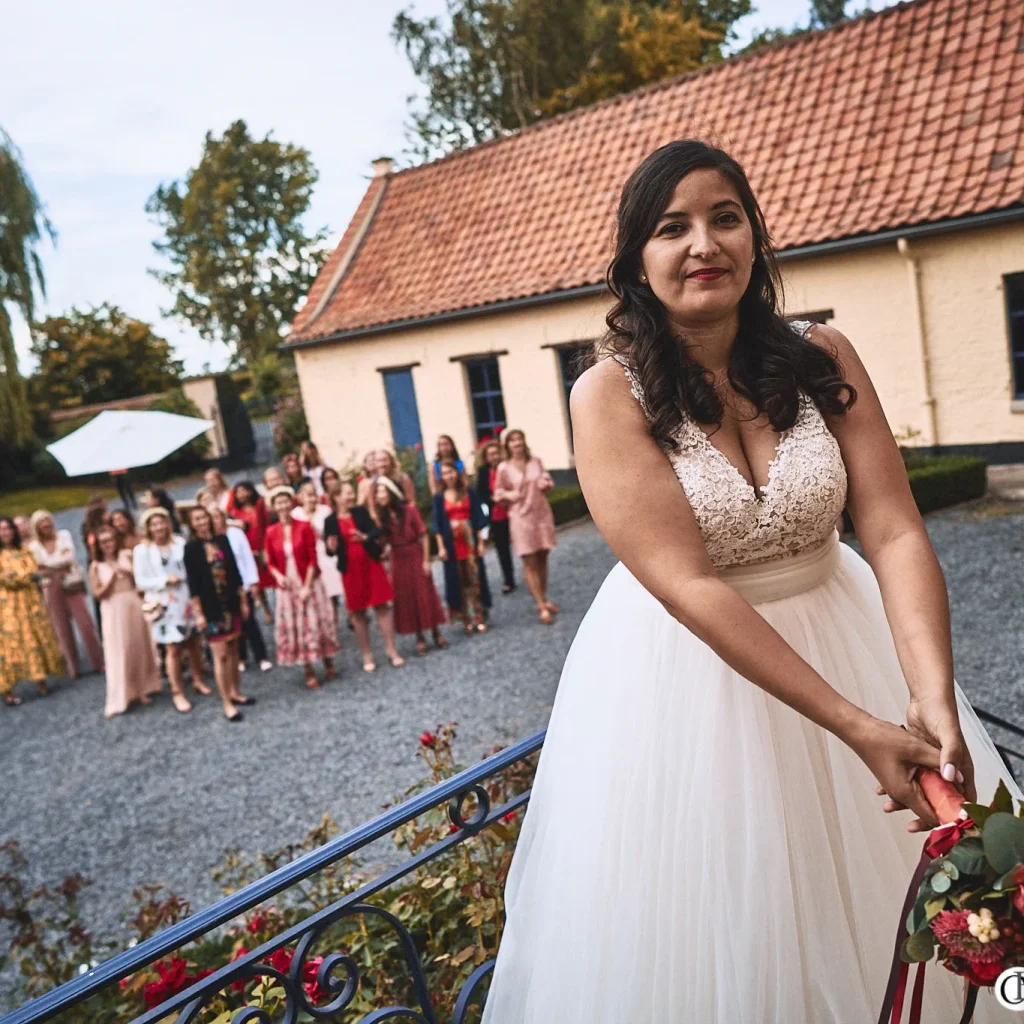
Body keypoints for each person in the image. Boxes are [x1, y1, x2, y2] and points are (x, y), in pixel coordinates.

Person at [479, 140, 1022, 1023]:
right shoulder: (607, 396)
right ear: (636, 262)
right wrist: (855, 724)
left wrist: (926, 691)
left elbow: (889, 527)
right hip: (691, 677)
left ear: (756, 237)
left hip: (846, 633)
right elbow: (689, 585)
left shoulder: (822, 353)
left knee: (892, 900)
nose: (704, 244)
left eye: (725, 217)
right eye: (672, 227)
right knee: (731, 923)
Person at [133, 507, 211, 713]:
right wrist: (164, 580)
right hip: (164, 602)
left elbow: (191, 568)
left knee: (193, 641)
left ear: (168, 523)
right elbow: (140, 581)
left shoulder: (179, 543)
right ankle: (177, 691)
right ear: (148, 527)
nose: (159, 527)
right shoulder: (142, 550)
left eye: (162, 522)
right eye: (154, 524)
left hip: (184, 599)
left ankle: (197, 679)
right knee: (173, 648)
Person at [323, 480, 404, 673]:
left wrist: (365, 537)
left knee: (382, 606)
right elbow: (330, 550)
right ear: (336, 497)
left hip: (371, 563)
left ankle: (391, 650)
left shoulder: (360, 512)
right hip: (350, 569)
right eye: (346, 493)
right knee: (358, 613)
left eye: (351, 493)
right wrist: (331, 548)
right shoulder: (330, 521)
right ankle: (367, 653)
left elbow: (375, 531)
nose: (351, 496)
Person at [264, 486, 339, 688]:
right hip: (288, 584)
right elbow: (269, 561)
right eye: (278, 502)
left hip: (308, 580)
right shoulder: (271, 532)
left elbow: (313, 558)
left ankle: (328, 661)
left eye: (286, 501)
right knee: (296, 626)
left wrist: (307, 586)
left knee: (316, 622)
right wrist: (278, 576)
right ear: (273, 507)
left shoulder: (304, 526)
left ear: (292, 502)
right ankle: (308, 669)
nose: (283, 506)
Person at [183, 505, 251, 722]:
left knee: (233, 650)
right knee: (219, 654)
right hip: (211, 607)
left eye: (205, 518)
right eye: (197, 519)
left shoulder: (222, 540)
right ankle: (226, 702)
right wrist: (199, 613)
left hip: (230, 601)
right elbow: (193, 584)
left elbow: (235, 572)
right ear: (192, 524)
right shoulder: (191, 549)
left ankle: (235, 691)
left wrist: (243, 600)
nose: (202, 522)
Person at [369, 476, 447, 656]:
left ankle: (436, 632)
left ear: (391, 492)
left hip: (415, 554)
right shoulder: (382, 518)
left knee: (425, 593)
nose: (380, 495)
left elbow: (422, 535)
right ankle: (419, 636)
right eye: (378, 492)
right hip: (398, 558)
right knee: (407, 597)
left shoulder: (409, 510)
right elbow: (382, 543)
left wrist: (426, 560)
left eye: (383, 491)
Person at [88, 525, 160, 719]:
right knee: (119, 650)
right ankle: (121, 696)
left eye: (110, 540)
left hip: (132, 603)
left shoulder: (127, 555)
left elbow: (141, 581)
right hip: (113, 608)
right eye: (104, 542)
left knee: (138, 646)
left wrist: (128, 574)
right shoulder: (96, 565)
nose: (108, 545)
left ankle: (143, 688)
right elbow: (97, 593)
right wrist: (111, 579)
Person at [28, 509, 104, 680]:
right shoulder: (33, 546)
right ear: (36, 527)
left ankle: (98, 661)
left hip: (71, 583)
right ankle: (73, 666)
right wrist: (55, 566)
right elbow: (37, 569)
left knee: (85, 624)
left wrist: (48, 567)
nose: (46, 525)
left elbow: (69, 558)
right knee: (61, 627)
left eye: (48, 521)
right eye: (42, 523)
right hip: (50, 587)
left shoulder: (63, 535)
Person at [495, 429, 558, 624]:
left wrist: (545, 482)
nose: (517, 444)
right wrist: (507, 495)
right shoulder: (503, 468)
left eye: (519, 439)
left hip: (540, 513)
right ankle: (540, 604)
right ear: (507, 445)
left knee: (543, 555)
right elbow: (498, 493)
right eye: (512, 441)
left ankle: (545, 597)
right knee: (529, 560)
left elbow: (547, 478)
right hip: (520, 517)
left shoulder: (535, 461)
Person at [0, 515, 64, 706]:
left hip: (31, 602)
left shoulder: (25, 551)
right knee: (9, 645)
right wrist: (22, 576)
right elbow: (8, 580)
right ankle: (7, 689)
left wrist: (19, 576)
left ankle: (40, 679)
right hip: (7, 606)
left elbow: (35, 574)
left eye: (8, 528)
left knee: (35, 638)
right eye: (1, 529)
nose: (5, 533)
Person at [209, 507, 273, 674]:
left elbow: (247, 557)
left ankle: (261, 656)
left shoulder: (235, 534)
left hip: (242, 582)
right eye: (212, 517)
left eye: (218, 516)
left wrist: (253, 582)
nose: (215, 520)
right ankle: (241, 657)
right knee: (234, 624)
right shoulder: (210, 541)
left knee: (249, 620)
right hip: (224, 588)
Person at [431, 461, 491, 634]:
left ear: (456, 473)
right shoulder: (439, 497)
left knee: (475, 580)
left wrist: (480, 542)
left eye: (450, 472)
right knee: (459, 582)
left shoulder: (468, 492)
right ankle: (466, 617)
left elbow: (479, 518)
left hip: (469, 540)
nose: (448, 476)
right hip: (452, 544)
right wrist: (441, 547)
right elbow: (437, 525)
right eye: (444, 473)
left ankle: (479, 615)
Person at [291, 481, 344, 623]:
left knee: (331, 589)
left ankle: (334, 619)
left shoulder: (325, 510)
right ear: (301, 497)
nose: (311, 499)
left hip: (324, 551)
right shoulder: (295, 514)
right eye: (307, 496)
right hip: (306, 554)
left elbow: (330, 535)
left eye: (313, 495)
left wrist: (313, 527)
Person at [475, 439, 516, 594]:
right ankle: (509, 579)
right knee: (502, 548)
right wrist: (494, 499)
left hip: (513, 510)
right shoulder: (483, 472)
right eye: (490, 454)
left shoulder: (507, 467)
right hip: (497, 514)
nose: (494, 456)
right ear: (485, 457)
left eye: (496, 453)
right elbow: (481, 492)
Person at [231, 481, 274, 622]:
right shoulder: (235, 513)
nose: (241, 494)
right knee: (258, 581)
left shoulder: (260, 506)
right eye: (238, 492)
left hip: (265, 545)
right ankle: (267, 609)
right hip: (249, 549)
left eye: (244, 490)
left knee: (273, 575)